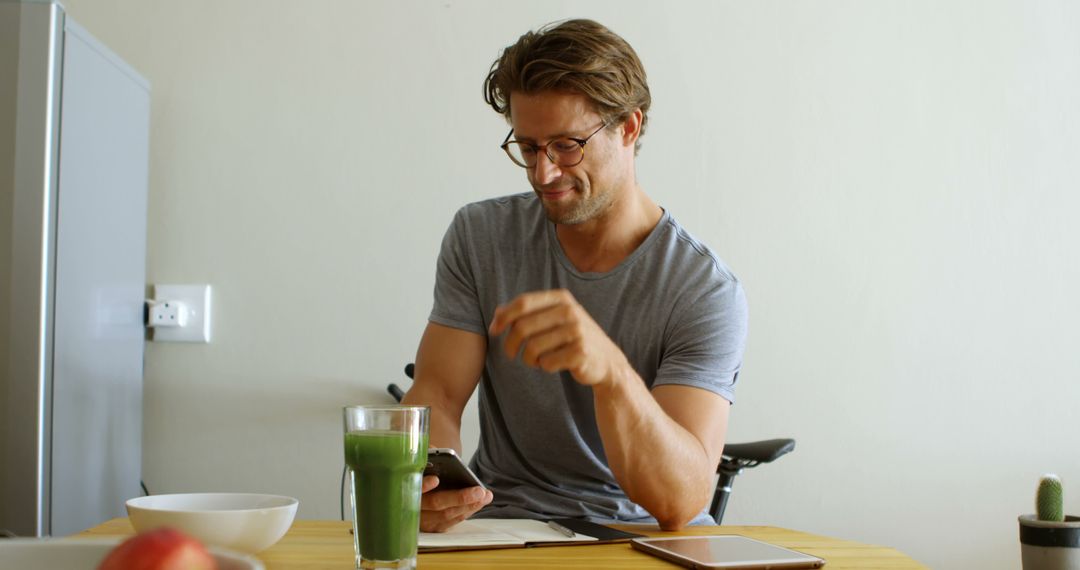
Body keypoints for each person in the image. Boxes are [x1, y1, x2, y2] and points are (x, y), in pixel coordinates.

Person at [400, 18, 748, 532]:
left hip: (638, 533)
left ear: (628, 127)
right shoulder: (481, 236)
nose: (543, 173)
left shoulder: (704, 290)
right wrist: (427, 480)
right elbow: (439, 394)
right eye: (528, 148)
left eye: (567, 145)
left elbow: (679, 502)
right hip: (505, 524)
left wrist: (611, 372)